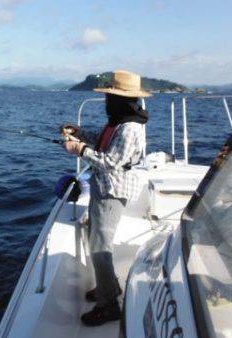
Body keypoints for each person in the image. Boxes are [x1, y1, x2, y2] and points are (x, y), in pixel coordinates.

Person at [61, 70, 150, 326]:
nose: (107, 101)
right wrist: (79, 133)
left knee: (101, 246)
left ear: (121, 98)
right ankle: (108, 288)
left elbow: (110, 162)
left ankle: (109, 305)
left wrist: (78, 149)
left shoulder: (130, 127)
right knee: (95, 236)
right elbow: (102, 144)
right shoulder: (120, 120)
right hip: (103, 187)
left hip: (113, 190)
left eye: (110, 96)